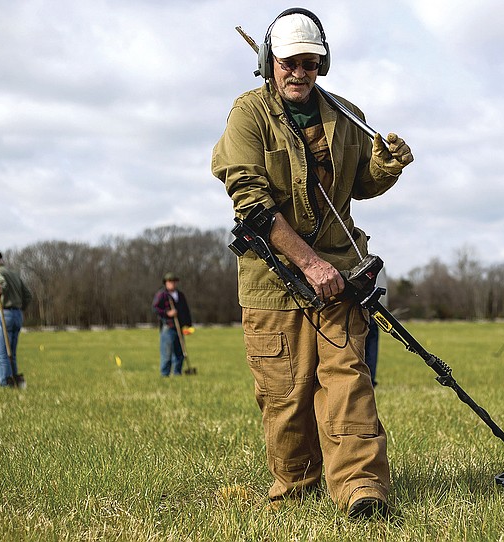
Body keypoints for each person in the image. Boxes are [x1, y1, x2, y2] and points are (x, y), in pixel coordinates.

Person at [211, 8, 413, 518]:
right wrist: (308, 264)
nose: (300, 72)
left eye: (311, 63)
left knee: (348, 381)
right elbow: (251, 203)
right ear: (268, 62)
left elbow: (358, 186)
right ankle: (295, 485)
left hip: (340, 276)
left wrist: (384, 166)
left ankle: (361, 489)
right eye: (290, 62)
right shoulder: (248, 115)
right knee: (285, 397)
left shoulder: (345, 114)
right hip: (272, 282)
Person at [0, 250, 32, 387]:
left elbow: (0, 282)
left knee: (1, 354)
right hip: (17, 315)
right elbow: (28, 295)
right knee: (11, 353)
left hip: (3, 314)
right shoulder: (14, 274)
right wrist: (18, 308)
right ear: (2, 260)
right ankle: (14, 381)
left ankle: (6, 384)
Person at [152, 272, 193, 376]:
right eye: (170, 282)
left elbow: (186, 310)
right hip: (168, 327)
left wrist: (188, 324)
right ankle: (165, 374)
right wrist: (167, 313)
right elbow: (155, 308)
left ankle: (177, 373)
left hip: (179, 327)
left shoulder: (180, 295)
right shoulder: (162, 295)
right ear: (166, 283)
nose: (172, 284)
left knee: (180, 352)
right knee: (167, 353)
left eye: (174, 282)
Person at [364, 267, 388, 387]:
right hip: (376, 310)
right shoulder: (379, 267)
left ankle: (367, 380)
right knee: (370, 347)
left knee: (365, 346)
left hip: (366, 309)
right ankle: (369, 380)